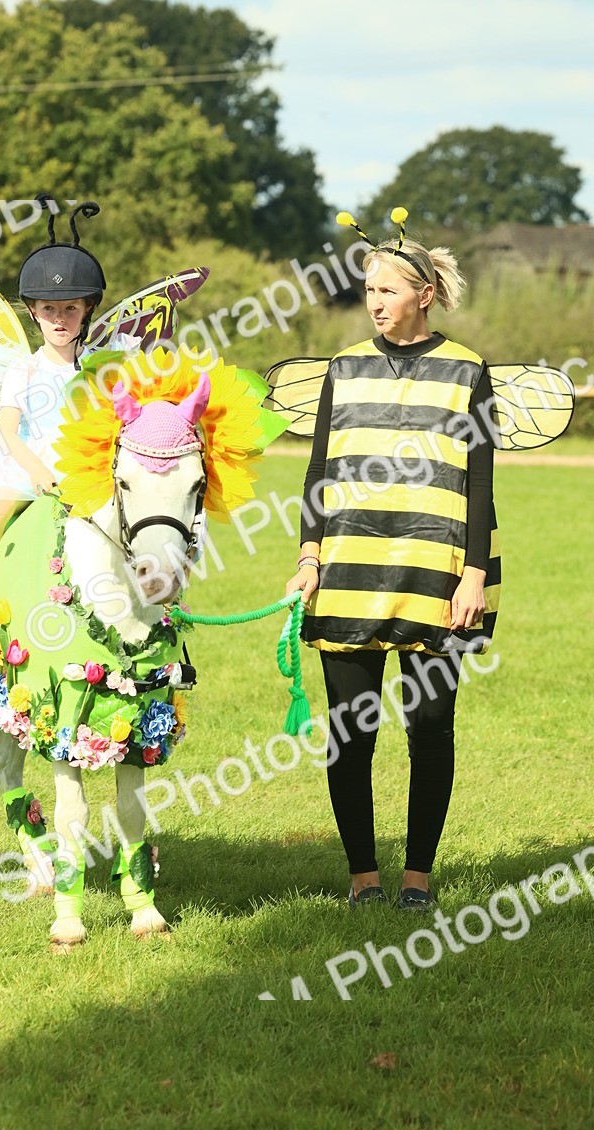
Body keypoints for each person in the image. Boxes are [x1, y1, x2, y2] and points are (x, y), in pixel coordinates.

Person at [285, 208, 498, 912]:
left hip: (440, 579)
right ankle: (362, 880)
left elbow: (480, 480)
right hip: (346, 575)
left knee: (431, 726)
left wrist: (473, 573)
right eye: (368, 290)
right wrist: (309, 555)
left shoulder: (468, 370)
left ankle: (418, 881)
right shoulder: (342, 369)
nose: (375, 302)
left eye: (387, 290)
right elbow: (317, 473)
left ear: (424, 294)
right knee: (352, 731)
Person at [0, 203, 107, 641]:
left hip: (86, 467)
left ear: (87, 310)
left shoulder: (98, 368)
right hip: (29, 462)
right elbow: (8, 431)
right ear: (34, 312)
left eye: (71, 309)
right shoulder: (25, 369)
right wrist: (36, 471)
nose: (60, 319)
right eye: (50, 310)